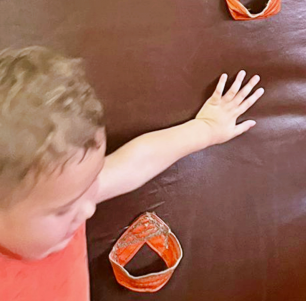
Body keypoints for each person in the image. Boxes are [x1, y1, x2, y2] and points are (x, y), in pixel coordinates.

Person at [0, 46, 264, 300]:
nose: (88, 210)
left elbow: (138, 162)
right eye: (62, 210)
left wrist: (207, 128)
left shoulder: (64, 193)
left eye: (92, 182)